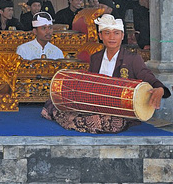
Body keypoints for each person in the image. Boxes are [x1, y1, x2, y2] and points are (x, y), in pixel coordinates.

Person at [42, 14, 170, 133]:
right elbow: (90, 85)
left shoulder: (132, 58)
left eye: (116, 33)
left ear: (122, 35)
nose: (112, 37)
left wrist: (160, 89)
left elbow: (147, 75)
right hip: (96, 105)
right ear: (100, 36)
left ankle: (73, 121)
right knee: (56, 102)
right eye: (107, 33)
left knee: (110, 122)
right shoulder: (96, 57)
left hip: (120, 110)